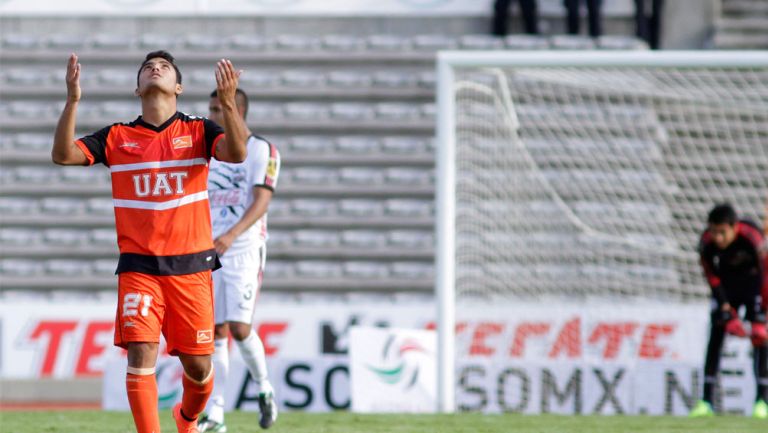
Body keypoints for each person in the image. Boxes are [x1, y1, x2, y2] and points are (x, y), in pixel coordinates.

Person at [52, 51, 249, 433]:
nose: (154, 69)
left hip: (191, 268)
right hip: (139, 267)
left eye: (163, 67)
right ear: (137, 87)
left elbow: (237, 154)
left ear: (178, 87)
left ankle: (187, 418)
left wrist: (227, 103)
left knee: (199, 367)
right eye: (146, 68)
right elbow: (62, 155)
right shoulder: (117, 136)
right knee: (141, 355)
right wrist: (73, 100)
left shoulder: (198, 130)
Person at [197, 88, 281, 432]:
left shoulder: (263, 150)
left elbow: (262, 201)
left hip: (244, 249)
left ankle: (264, 387)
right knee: (214, 332)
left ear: (237, 110)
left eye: (219, 109)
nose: (213, 115)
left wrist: (231, 236)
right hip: (209, 249)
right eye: (211, 109)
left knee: (239, 328)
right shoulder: (212, 152)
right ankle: (215, 413)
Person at [690, 204, 768, 419]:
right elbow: (711, 276)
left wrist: (761, 313)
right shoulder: (706, 243)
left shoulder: (752, 237)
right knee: (715, 336)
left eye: (722, 232)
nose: (718, 238)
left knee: (760, 339)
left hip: (754, 287)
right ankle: (706, 402)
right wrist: (725, 307)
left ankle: (762, 401)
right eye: (714, 231)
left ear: (734, 227)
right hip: (726, 289)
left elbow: (765, 275)